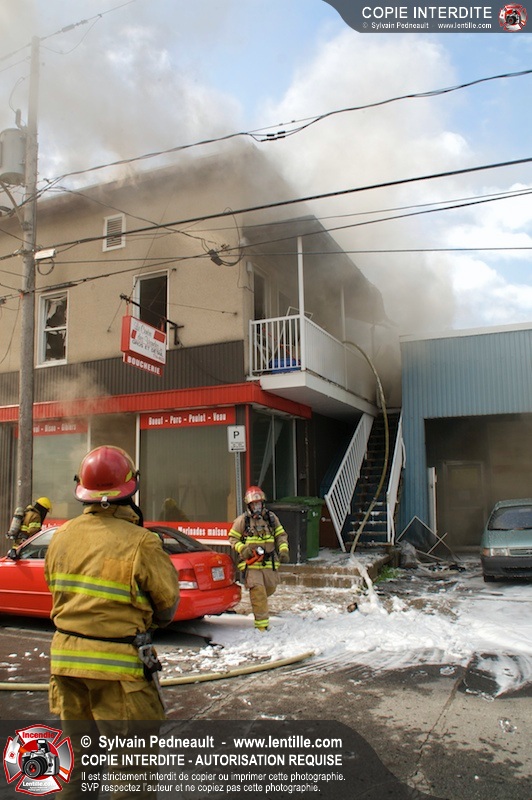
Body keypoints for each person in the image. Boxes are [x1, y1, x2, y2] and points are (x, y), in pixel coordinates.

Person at [44, 445, 179, 723]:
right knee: (130, 752)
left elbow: (55, 589)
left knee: (82, 750)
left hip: (65, 664)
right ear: (130, 487)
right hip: (119, 672)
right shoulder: (142, 542)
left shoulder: (60, 536)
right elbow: (167, 606)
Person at [229, 485, 290, 632]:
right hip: (252, 565)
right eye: (254, 504)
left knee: (270, 588)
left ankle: (260, 608)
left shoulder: (271, 519)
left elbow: (281, 535)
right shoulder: (242, 521)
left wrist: (283, 550)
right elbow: (233, 538)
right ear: (249, 505)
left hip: (269, 563)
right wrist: (243, 549)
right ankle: (261, 627)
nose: (257, 507)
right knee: (258, 593)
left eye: (259, 503)